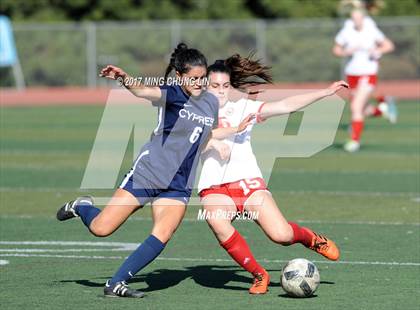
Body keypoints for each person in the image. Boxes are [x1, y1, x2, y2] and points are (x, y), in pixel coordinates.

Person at [56, 43, 220, 298]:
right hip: (149, 172)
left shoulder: (211, 102)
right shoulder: (172, 93)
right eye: (194, 78)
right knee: (101, 229)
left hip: (180, 182)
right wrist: (124, 79)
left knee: (163, 232)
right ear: (179, 76)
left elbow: (204, 136)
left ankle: (116, 283)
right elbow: (144, 90)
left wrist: (219, 146)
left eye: (203, 77)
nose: (200, 82)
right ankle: (82, 206)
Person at [198, 55, 348, 294]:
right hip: (214, 187)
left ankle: (310, 238)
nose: (220, 91)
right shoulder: (193, 111)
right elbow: (189, 141)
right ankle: (259, 275)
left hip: (247, 182)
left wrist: (325, 92)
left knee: (281, 235)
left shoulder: (243, 107)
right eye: (215, 86)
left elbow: (286, 105)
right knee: (216, 220)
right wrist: (214, 144)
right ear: (205, 85)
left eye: (225, 86)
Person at [333, 9, 396, 152]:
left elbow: (389, 45)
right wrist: (345, 52)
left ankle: (354, 141)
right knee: (363, 109)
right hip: (352, 74)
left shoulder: (371, 30)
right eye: (354, 18)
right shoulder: (347, 31)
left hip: (368, 73)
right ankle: (382, 111)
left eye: (359, 18)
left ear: (363, 18)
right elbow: (336, 49)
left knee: (355, 107)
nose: (356, 21)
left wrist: (378, 51)